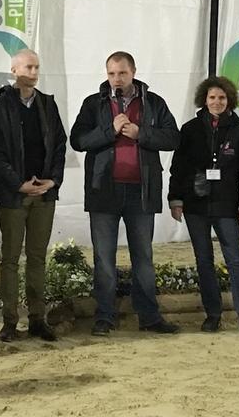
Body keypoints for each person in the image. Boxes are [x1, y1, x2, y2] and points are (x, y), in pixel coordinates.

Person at [70, 51, 180, 336]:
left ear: (133, 72)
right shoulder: (93, 104)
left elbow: (172, 138)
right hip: (103, 192)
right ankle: (105, 317)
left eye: (122, 73)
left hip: (140, 193)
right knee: (104, 259)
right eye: (111, 73)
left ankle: (149, 317)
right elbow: (78, 140)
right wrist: (110, 131)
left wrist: (140, 133)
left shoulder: (153, 103)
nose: (116, 79)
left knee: (142, 257)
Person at [0, 49, 67, 342]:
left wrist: (53, 180)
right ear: (14, 69)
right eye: (28, 67)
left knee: (37, 258)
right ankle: (9, 322)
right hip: (13, 196)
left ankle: (37, 320)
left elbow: (59, 145)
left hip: (44, 194)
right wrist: (18, 184)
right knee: (9, 259)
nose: (33, 72)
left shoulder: (47, 104)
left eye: (36, 67)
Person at [167, 76, 239, 333]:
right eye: (212, 97)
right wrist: (175, 199)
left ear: (229, 100)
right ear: (203, 100)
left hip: (227, 205)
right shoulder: (189, 129)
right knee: (203, 260)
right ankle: (213, 314)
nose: (216, 102)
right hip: (196, 205)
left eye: (221, 97)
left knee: (235, 260)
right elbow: (178, 168)